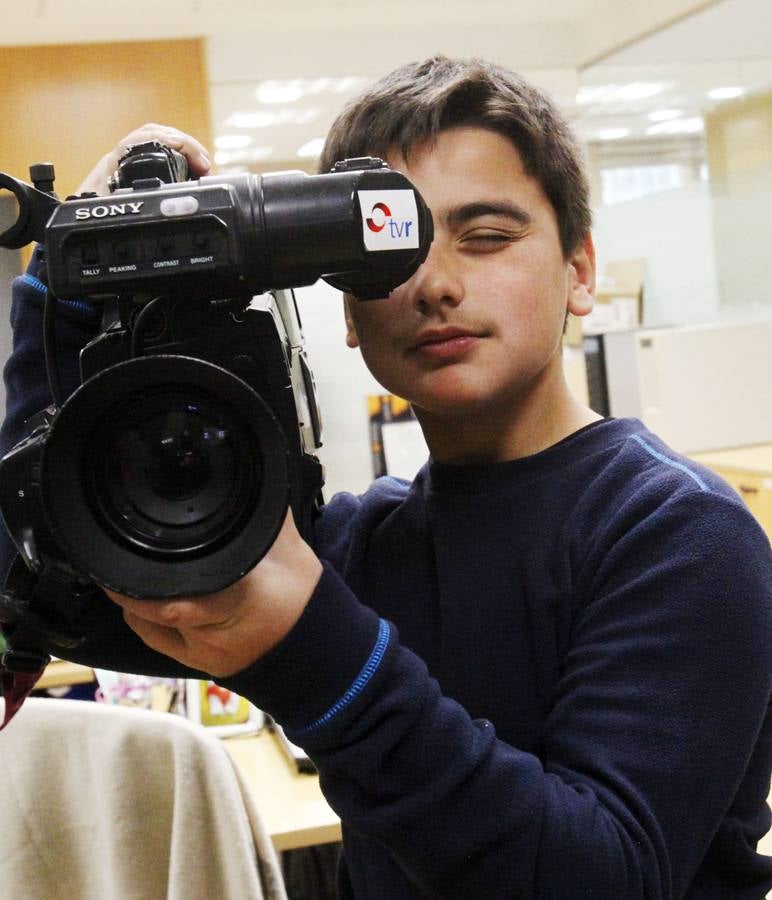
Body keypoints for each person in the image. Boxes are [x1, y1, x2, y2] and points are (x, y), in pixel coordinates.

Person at [1, 57, 771, 898]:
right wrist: (60, 288)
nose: (436, 284)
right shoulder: (356, 543)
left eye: (487, 236)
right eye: (392, 248)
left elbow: (600, 878)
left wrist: (313, 651)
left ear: (578, 270)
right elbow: (47, 582)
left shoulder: (681, 533)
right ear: (350, 309)